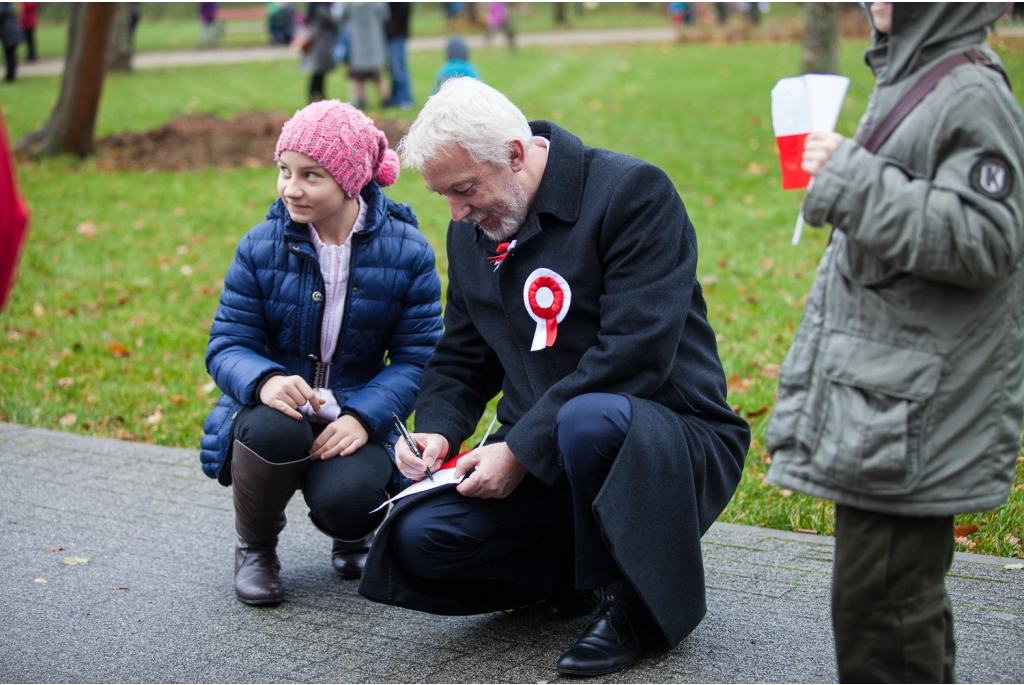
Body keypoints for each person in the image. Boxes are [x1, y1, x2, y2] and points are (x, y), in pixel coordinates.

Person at [357, 77, 750, 677]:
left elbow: (633, 356)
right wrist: (436, 430)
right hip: (546, 456)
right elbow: (463, 354)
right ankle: (581, 574)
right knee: (419, 542)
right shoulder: (472, 230)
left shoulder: (633, 193)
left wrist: (518, 449)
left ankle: (638, 608)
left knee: (589, 418)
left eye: (464, 190)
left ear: (515, 154)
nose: (457, 213)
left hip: (663, 441)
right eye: (445, 197)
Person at [765, 3, 1024, 682]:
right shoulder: (915, 74)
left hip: (915, 408)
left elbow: (987, 240)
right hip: (888, 396)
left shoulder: (968, 89)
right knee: (882, 606)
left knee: (885, 610)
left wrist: (851, 176)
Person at [199, 100, 444, 606]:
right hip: (277, 408)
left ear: (350, 180)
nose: (291, 187)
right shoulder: (261, 246)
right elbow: (227, 343)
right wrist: (265, 380)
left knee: (350, 497)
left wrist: (362, 417)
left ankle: (352, 532)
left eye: (311, 175)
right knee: (272, 426)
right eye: (284, 170)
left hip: (356, 406)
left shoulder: (408, 251)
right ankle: (256, 549)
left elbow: (419, 356)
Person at [339, 2, 389, 110]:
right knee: (378, 75)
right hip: (373, 42)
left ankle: (361, 101)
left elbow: (340, 16)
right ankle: (385, 100)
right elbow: (385, 15)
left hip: (357, 43)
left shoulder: (349, 4)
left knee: (358, 76)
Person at [301, 2, 338, 102]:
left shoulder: (316, 6)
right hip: (319, 44)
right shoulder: (320, 6)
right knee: (318, 74)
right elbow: (331, 20)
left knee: (320, 74)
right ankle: (315, 98)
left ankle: (320, 97)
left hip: (319, 43)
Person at [384, 2, 413, 108]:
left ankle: (405, 99)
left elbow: (404, 7)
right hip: (391, 34)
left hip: (397, 33)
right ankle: (396, 98)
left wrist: (393, 25)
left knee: (398, 67)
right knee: (392, 68)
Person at [0, 2, 21, 82]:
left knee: (9, 55)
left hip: (8, 33)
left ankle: (10, 76)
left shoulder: (3, 7)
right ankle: (11, 75)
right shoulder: (9, 7)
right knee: (12, 55)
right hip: (14, 32)